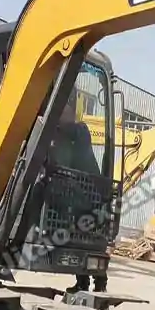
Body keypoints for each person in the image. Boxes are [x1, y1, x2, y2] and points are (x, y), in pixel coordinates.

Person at [49, 89, 108, 294]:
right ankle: (83, 283)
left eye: (64, 110)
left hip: (86, 190)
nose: (61, 115)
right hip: (80, 191)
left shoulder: (79, 132)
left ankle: (98, 283)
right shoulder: (66, 134)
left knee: (84, 233)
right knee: (82, 235)